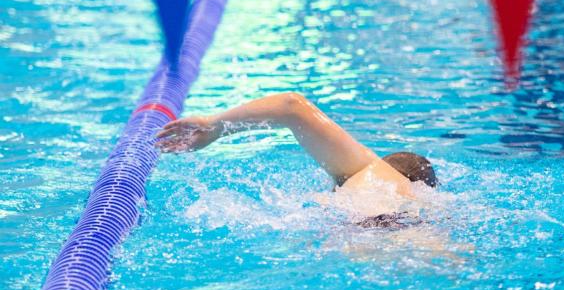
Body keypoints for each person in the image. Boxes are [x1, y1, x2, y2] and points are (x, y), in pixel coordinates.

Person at [155, 92, 437, 228]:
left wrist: (213, 125)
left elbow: (291, 106)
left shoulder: (367, 168)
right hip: (408, 230)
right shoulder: (421, 201)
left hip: (360, 228)